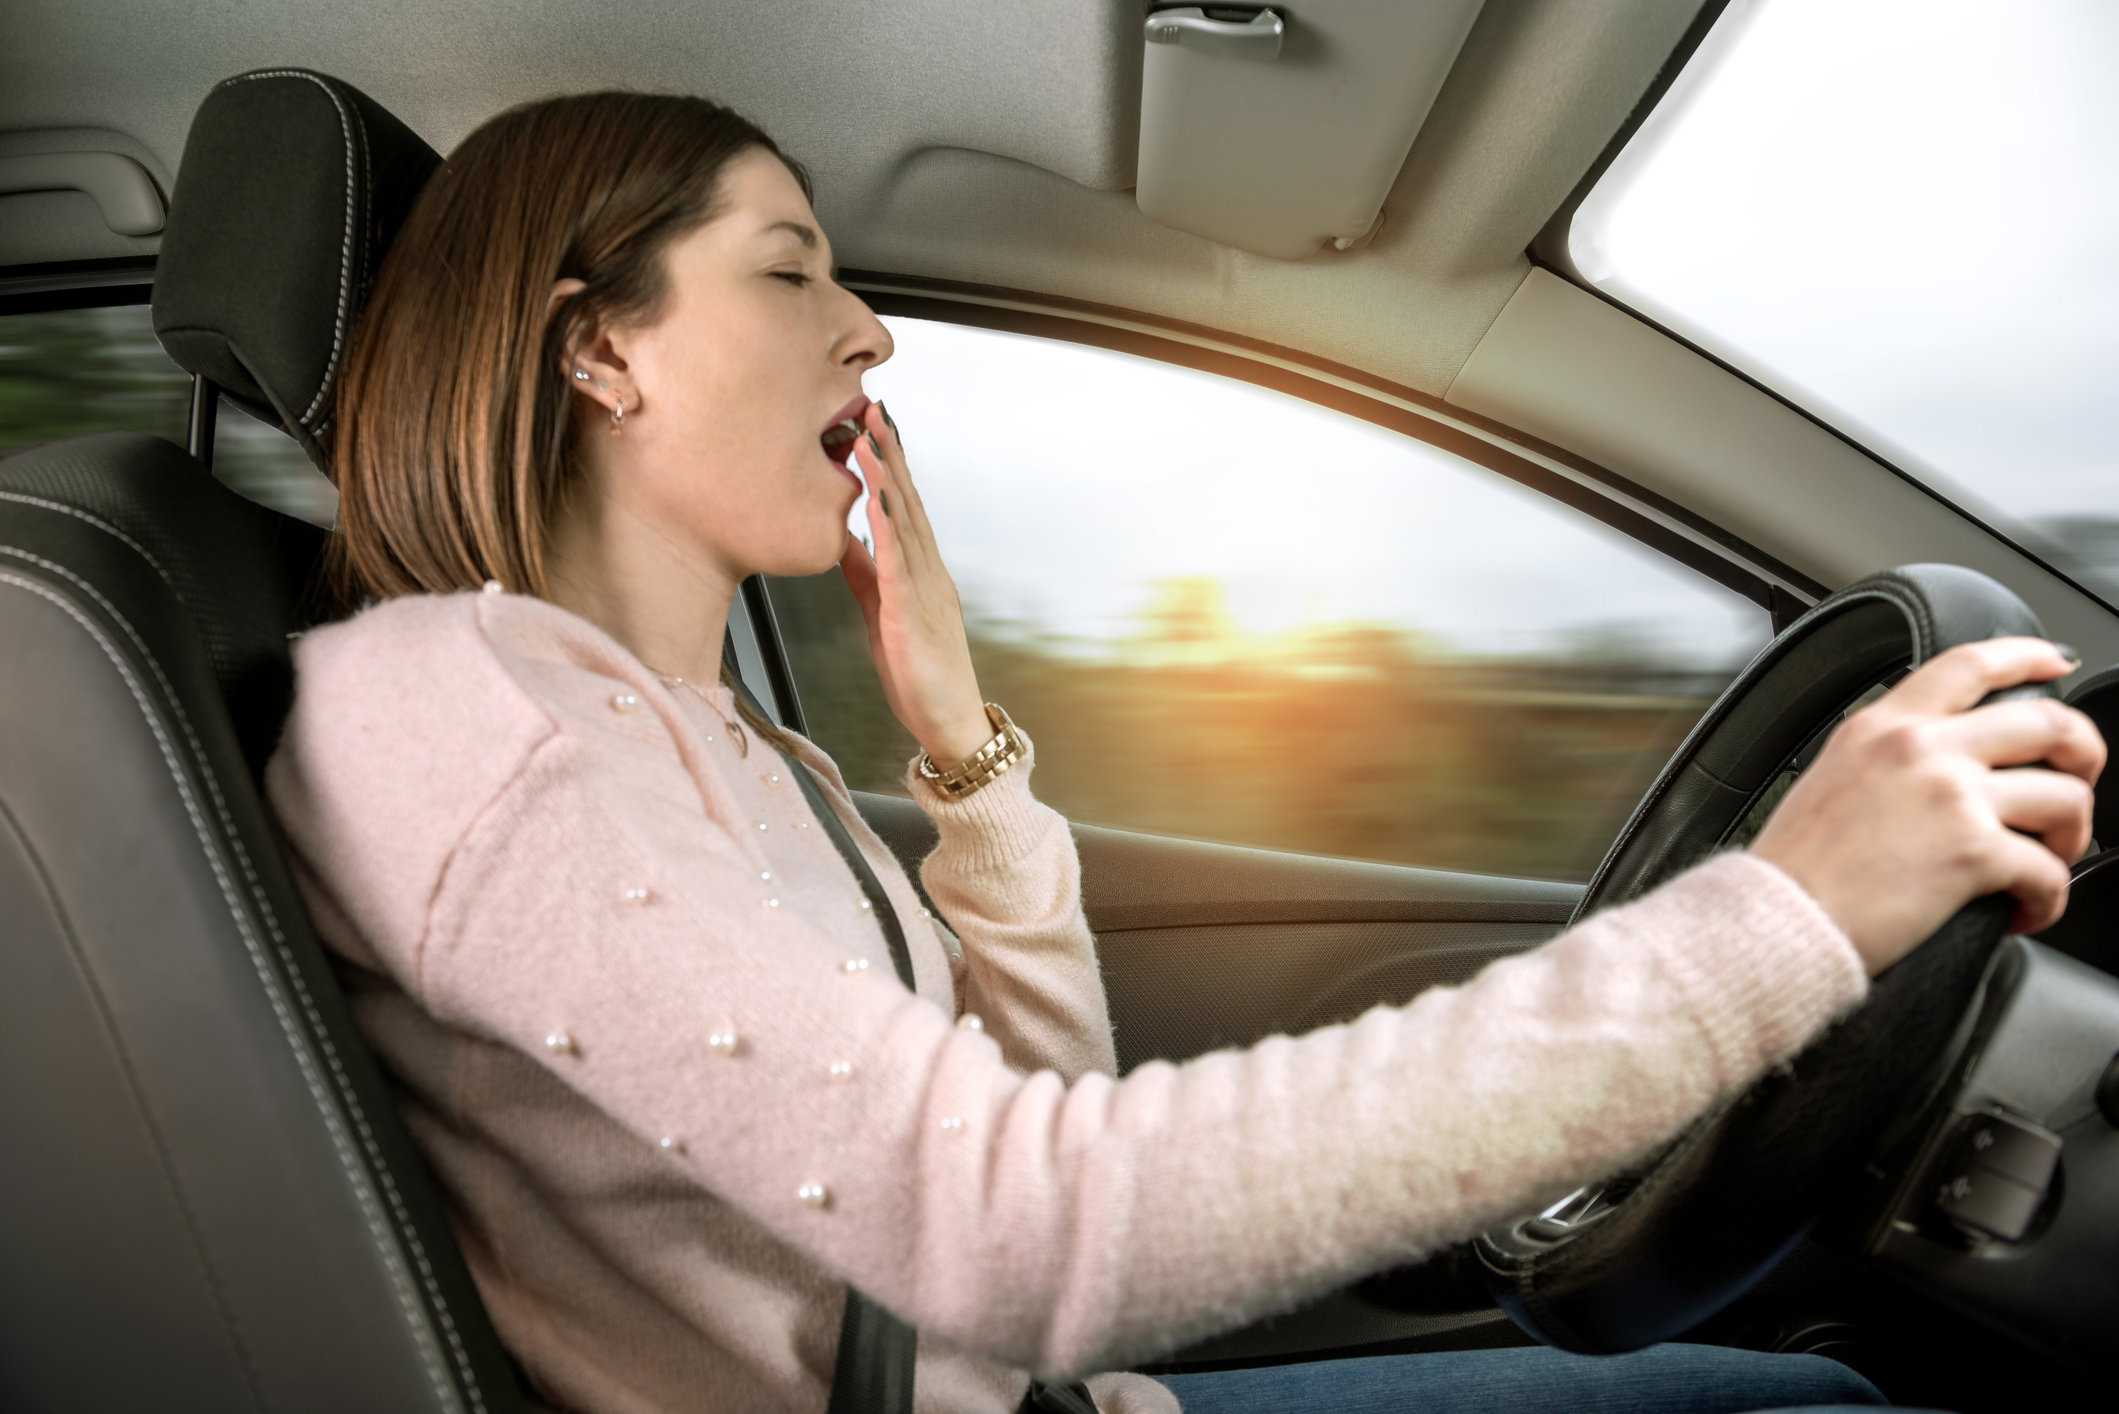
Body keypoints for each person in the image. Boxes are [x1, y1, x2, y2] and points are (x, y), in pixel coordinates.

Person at [264, 91, 2103, 1414]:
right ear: (601, 353)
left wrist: (960, 740)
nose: (869, 330)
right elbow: (1028, 1234)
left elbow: (1022, 1112)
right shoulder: (453, 708)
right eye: (788, 272)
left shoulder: (733, 746)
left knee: (1787, 1389)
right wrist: (1782, 917)